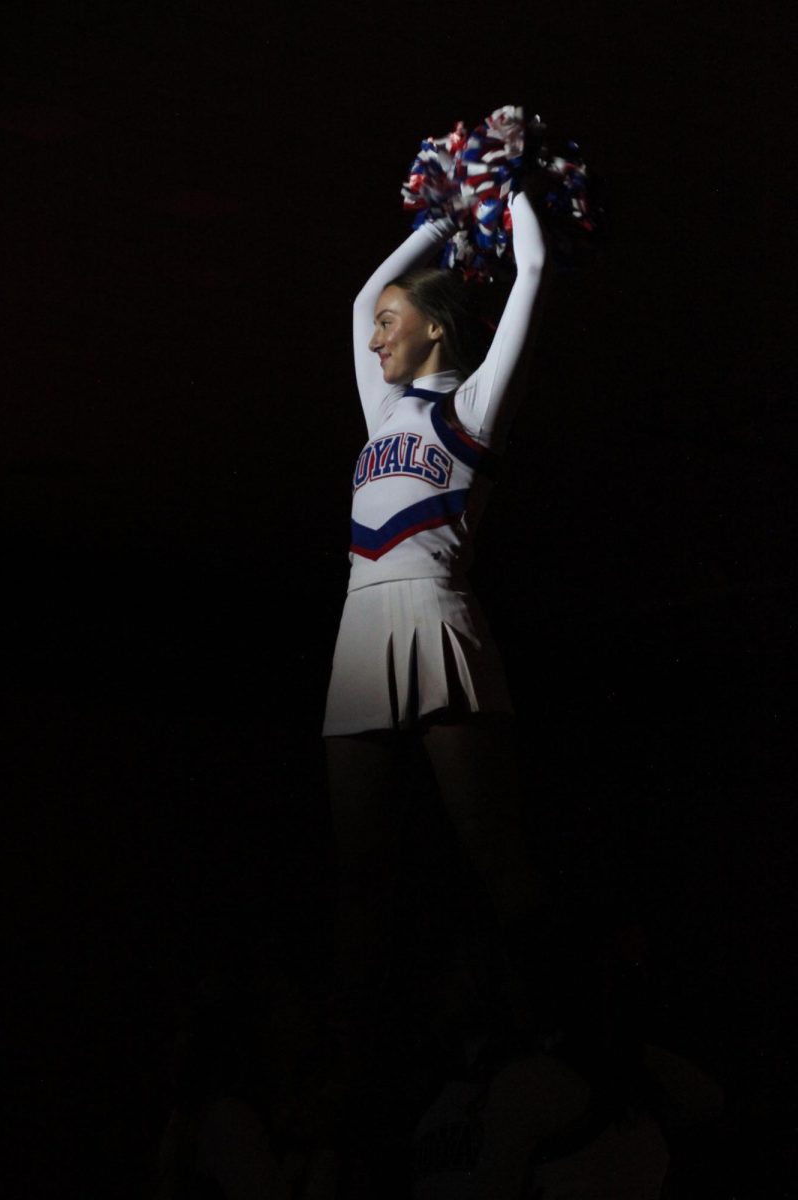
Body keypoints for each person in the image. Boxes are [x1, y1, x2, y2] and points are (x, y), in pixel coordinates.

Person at [322, 179, 549, 1090]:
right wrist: (441, 222)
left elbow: (530, 266)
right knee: (357, 874)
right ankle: (357, 1060)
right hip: (358, 629)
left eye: (391, 320)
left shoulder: (475, 406)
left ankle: (556, 1030)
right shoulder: (383, 413)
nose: (373, 333)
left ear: (437, 332)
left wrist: (514, 177)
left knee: (496, 855)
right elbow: (352, 298)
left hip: (438, 615)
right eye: (377, 324)